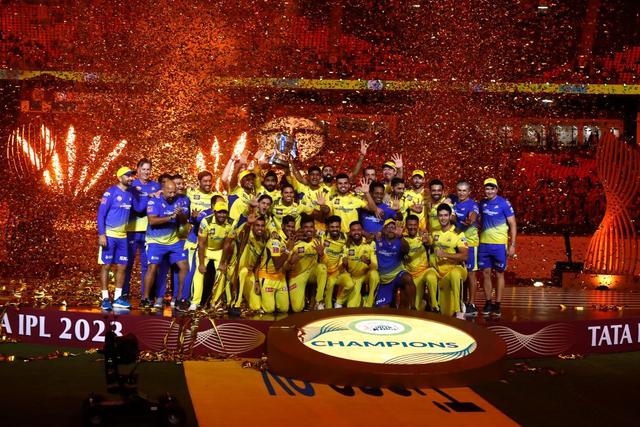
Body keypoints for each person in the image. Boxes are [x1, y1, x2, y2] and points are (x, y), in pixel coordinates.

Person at [140, 180, 190, 311]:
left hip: (174, 241)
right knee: (153, 267)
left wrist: (180, 215)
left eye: (174, 192)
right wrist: (171, 217)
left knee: (184, 266)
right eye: (170, 192)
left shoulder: (179, 200)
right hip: (155, 241)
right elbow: (152, 221)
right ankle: (145, 298)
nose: (173, 194)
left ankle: (179, 299)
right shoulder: (154, 201)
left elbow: (184, 221)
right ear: (163, 190)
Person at [97, 166, 136, 311]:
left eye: (131, 175)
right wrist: (102, 234)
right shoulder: (110, 192)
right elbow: (101, 214)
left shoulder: (130, 194)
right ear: (120, 178)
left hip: (123, 236)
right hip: (109, 235)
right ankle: (105, 298)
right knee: (106, 266)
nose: (130, 178)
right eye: (127, 176)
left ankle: (118, 298)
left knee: (122, 266)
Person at [478, 178, 517, 318]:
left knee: (500, 274)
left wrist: (512, 245)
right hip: (484, 244)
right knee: (485, 274)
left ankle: (498, 304)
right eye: (487, 188)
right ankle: (488, 302)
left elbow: (513, 224)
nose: (489, 191)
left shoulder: (504, 203)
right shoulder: (482, 203)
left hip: (500, 245)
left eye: (492, 188)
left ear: (497, 189)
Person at [124, 158, 160, 301]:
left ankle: (145, 297)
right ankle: (123, 295)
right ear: (137, 170)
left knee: (147, 266)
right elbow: (137, 208)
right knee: (127, 265)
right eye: (143, 169)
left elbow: (157, 207)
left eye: (148, 169)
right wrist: (149, 197)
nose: (146, 172)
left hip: (148, 232)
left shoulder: (156, 186)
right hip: (132, 231)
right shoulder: (131, 185)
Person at [425, 204, 469, 317]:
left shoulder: (458, 233)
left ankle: (459, 311)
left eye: (445, 215)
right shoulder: (435, 232)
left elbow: (465, 256)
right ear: (437, 217)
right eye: (440, 215)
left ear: (450, 216)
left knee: (455, 274)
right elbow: (428, 245)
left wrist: (445, 254)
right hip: (439, 271)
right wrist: (425, 241)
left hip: (456, 269)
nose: (443, 218)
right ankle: (435, 308)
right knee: (429, 275)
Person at [192, 201, 234, 310]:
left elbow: (227, 244)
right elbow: (201, 243)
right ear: (214, 212)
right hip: (205, 249)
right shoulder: (206, 221)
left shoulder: (231, 224)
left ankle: (215, 302)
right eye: (219, 212)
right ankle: (195, 302)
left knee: (221, 273)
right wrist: (201, 264)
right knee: (199, 272)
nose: (222, 215)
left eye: (224, 212)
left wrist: (222, 263)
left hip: (219, 250)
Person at [255, 215, 297, 314]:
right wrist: (288, 250)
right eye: (288, 227)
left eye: (292, 227)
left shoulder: (290, 240)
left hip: (281, 278)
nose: (291, 229)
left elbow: (287, 263)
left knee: (284, 309)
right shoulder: (275, 241)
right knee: (269, 309)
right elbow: (277, 264)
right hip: (267, 277)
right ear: (282, 226)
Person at [229, 213, 268, 314]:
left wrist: (256, 281)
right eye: (257, 225)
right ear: (253, 226)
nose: (260, 228)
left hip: (249, 274)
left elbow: (257, 264)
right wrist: (247, 225)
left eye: (262, 225)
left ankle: (243, 299)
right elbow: (243, 235)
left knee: (256, 306)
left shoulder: (264, 241)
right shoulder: (247, 234)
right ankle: (235, 305)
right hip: (235, 270)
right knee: (243, 271)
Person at [371, 219, 416, 309]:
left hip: (398, 275)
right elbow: (367, 236)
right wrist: (376, 234)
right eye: (388, 227)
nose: (391, 229)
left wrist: (400, 237)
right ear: (383, 229)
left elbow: (406, 249)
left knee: (408, 278)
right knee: (383, 309)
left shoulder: (400, 241)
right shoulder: (377, 240)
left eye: (393, 227)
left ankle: (413, 308)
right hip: (384, 281)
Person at [287, 214, 326, 312]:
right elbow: (286, 265)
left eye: (311, 227)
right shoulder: (294, 242)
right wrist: (291, 261)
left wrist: (321, 254)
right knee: (297, 309)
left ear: (314, 228)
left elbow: (324, 262)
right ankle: (305, 300)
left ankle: (319, 301)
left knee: (322, 268)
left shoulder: (318, 241)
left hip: (312, 272)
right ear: (301, 229)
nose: (309, 230)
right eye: (306, 227)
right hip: (297, 275)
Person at [335, 221, 379, 308]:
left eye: (359, 230)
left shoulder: (370, 244)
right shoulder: (346, 245)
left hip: (366, 275)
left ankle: (370, 304)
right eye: (353, 230)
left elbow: (375, 266)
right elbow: (340, 268)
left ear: (362, 231)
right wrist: (344, 263)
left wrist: (368, 262)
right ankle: (362, 300)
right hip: (354, 278)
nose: (356, 232)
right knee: (352, 306)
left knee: (374, 275)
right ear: (350, 232)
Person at [453, 180, 480, 316]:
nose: (462, 193)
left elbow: (473, 214)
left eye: (464, 190)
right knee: (461, 273)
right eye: (459, 190)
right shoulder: (454, 202)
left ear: (469, 192)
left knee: (471, 274)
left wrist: (471, 220)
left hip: (470, 243)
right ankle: (462, 302)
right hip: (458, 242)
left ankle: (472, 304)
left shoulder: (472, 204)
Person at [317, 216, 348, 309]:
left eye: (337, 227)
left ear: (340, 227)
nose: (335, 229)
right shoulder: (322, 235)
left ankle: (338, 301)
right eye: (332, 227)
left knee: (349, 283)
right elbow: (307, 231)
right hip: (324, 266)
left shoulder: (345, 237)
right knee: (322, 270)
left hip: (337, 268)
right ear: (327, 227)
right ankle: (320, 302)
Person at [403, 214, 431, 311]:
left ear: (418, 225)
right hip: (409, 277)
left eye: (414, 225)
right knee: (413, 308)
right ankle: (424, 301)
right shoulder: (403, 239)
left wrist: (426, 242)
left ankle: (429, 300)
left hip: (422, 274)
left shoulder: (423, 236)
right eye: (410, 225)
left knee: (431, 277)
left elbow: (429, 243)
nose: (412, 227)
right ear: (406, 225)